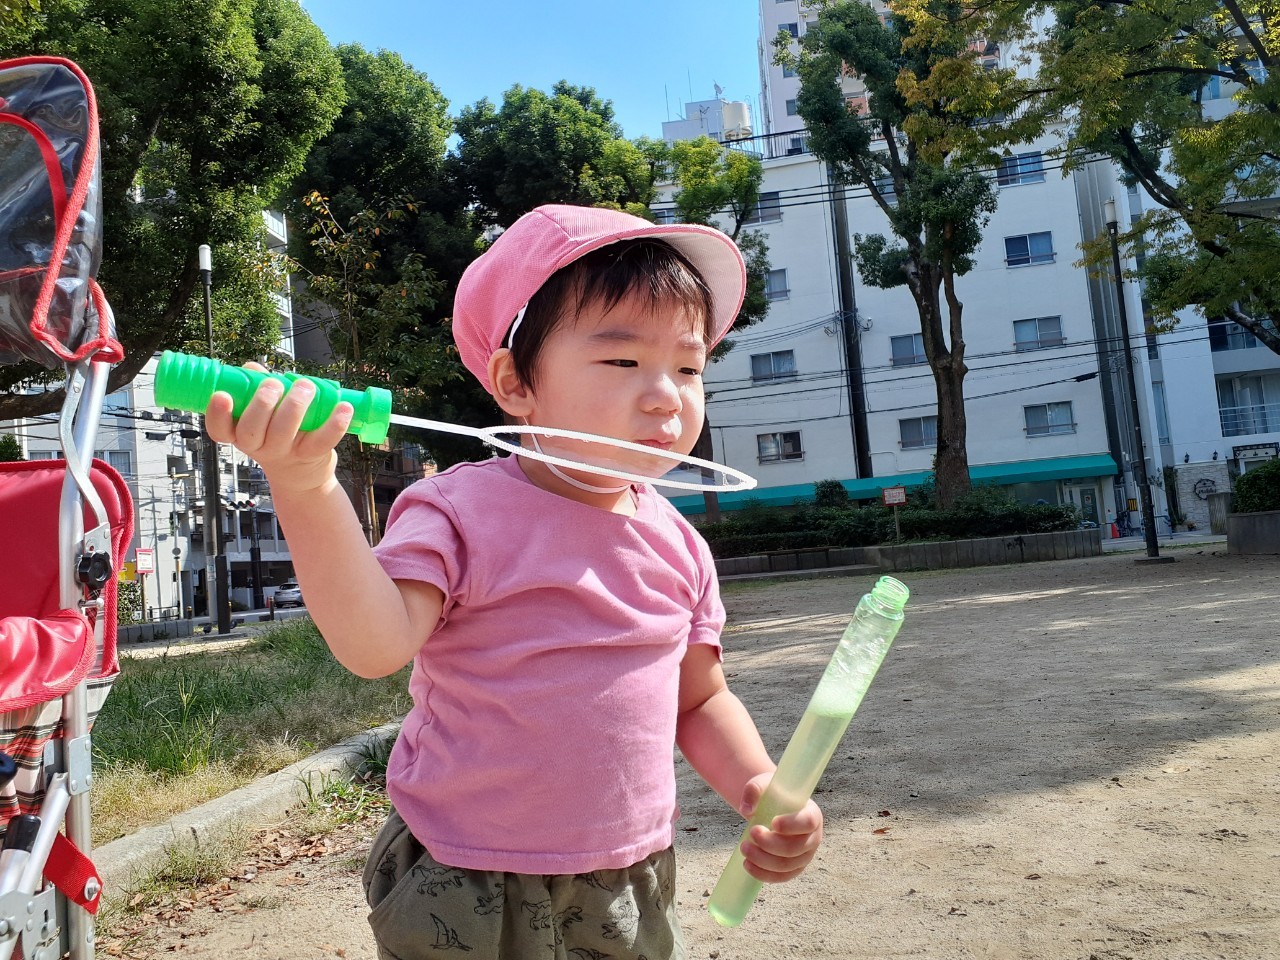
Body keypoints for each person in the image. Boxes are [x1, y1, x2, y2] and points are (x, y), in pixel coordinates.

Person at [206, 204, 823, 959]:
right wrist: (306, 485)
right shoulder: (457, 511)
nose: (667, 393)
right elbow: (374, 645)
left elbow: (698, 699)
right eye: (623, 362)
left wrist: (757, 783)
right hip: (465, 872)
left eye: (689, 368)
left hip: (626, 871)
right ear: (514, 382)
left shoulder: (680, 545)